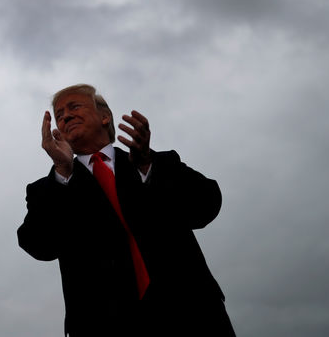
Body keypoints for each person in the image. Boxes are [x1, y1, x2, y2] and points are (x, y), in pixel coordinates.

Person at [17, 84, 234, 336]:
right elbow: (38, 245)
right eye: (59, 114)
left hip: (192, 316)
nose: (65, 116)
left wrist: (146, 164)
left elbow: (206, 205)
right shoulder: (50, 187)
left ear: (104, 116)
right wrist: (63, 172)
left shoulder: (158, 164)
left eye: (74, 106)